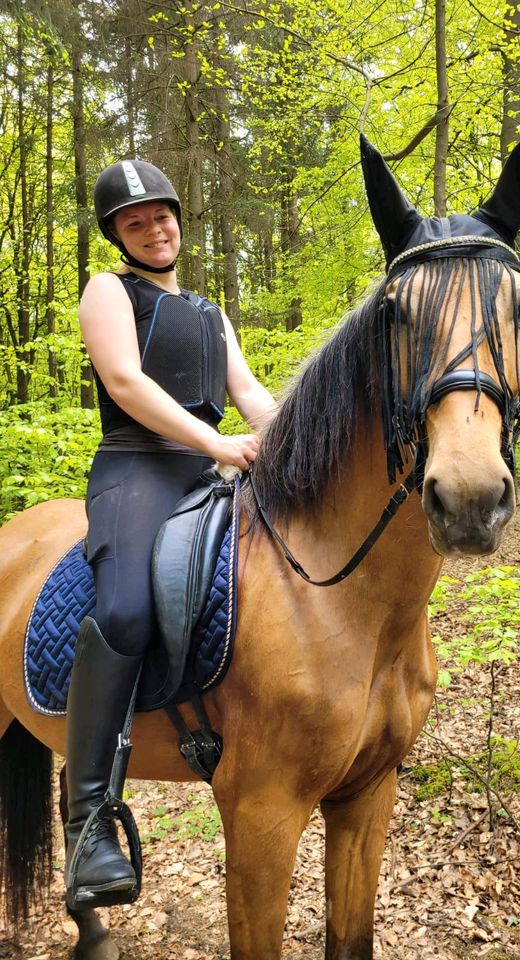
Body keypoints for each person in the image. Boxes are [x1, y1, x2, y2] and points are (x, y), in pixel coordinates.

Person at [65, 159, 275, 910]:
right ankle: (88, 821)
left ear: (178, 218)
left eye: (161, 215)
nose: (154, 229)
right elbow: (125, 382)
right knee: (123, 607)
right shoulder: (109, 291)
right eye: (135, 222)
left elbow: (245, 392)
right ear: (118, 235)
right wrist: (215, 445)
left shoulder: (212, 312)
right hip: (136, 470)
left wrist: (291, 439)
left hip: (203, 470)